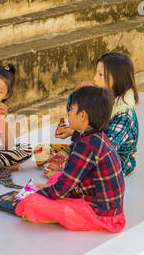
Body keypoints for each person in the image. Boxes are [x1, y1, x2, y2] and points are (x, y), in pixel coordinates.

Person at [16, 86, 126, 232]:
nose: (68, 112)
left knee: (31, 203)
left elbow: (60, 191)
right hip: (106, 206)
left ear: (82, 116)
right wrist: (46, 188)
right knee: (56, 176)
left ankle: (50, 216)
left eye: (72, 109)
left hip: (99, 214)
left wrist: (36, 193)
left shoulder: (86, 146)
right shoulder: (97, 137)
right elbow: (71, 178)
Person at [43, 52, 139, 177]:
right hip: (93, 146)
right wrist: (81, 95)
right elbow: (77, 117)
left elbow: (106, 148)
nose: (94, 79)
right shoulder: (102, 98)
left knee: (61, 172)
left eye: (100, 75)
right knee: (48, 164)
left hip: (114, 159)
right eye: (96, 73)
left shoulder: (124, 114)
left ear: (117, 80)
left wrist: (76, 135)